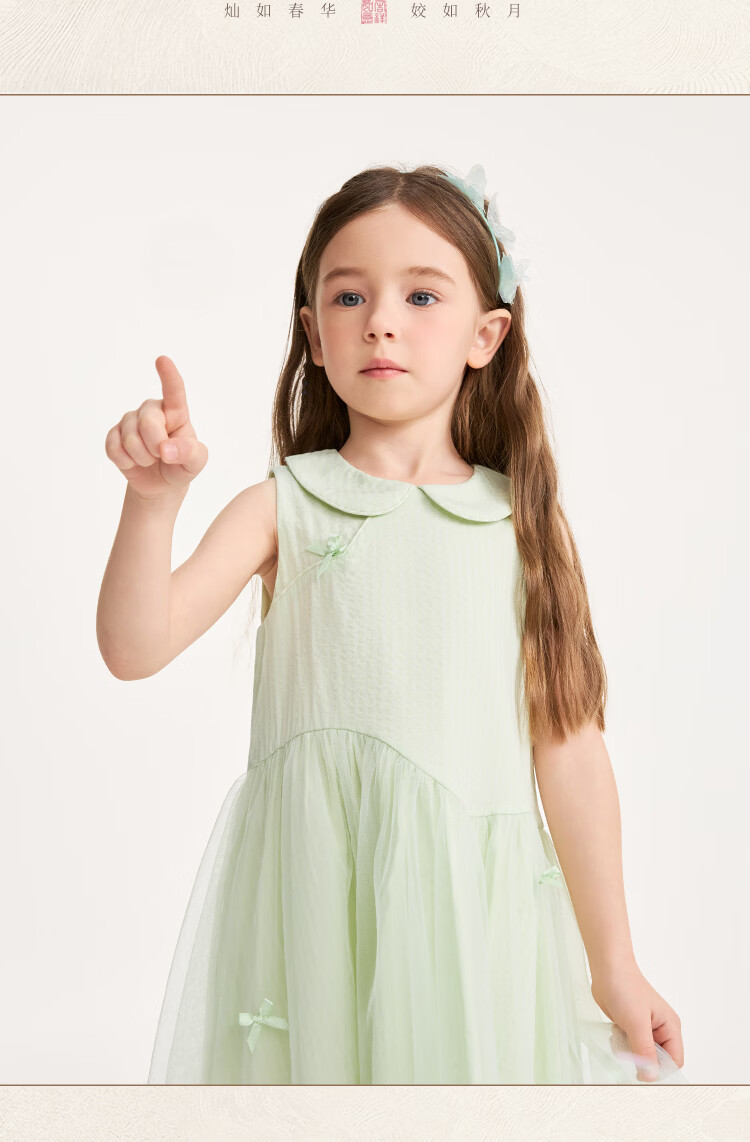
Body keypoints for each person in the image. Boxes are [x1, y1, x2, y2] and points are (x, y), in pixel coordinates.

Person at [97, 162, 685, 1085]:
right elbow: (135, 648)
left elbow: (570, 748)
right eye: (349, 296)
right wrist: (152, 502)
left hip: (469, 915)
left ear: (486, 334)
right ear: (314, 335)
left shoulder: (520, 525)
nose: (380, 320)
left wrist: (615, 964)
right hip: (315, 904)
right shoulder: (284, 506)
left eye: (420, 295)